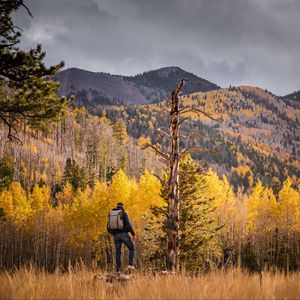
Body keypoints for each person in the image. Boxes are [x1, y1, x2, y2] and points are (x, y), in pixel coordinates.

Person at [107, 202, 136, 273]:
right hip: (124, 234)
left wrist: (114, 234)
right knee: (132, 248)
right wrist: (133, 234)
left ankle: (118, 270)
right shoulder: (123, 213)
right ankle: (130, 265)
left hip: (116, 236)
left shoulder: (112, 214)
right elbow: (129, 225)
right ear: (122, 207)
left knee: (118, 253)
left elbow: (108, 227)